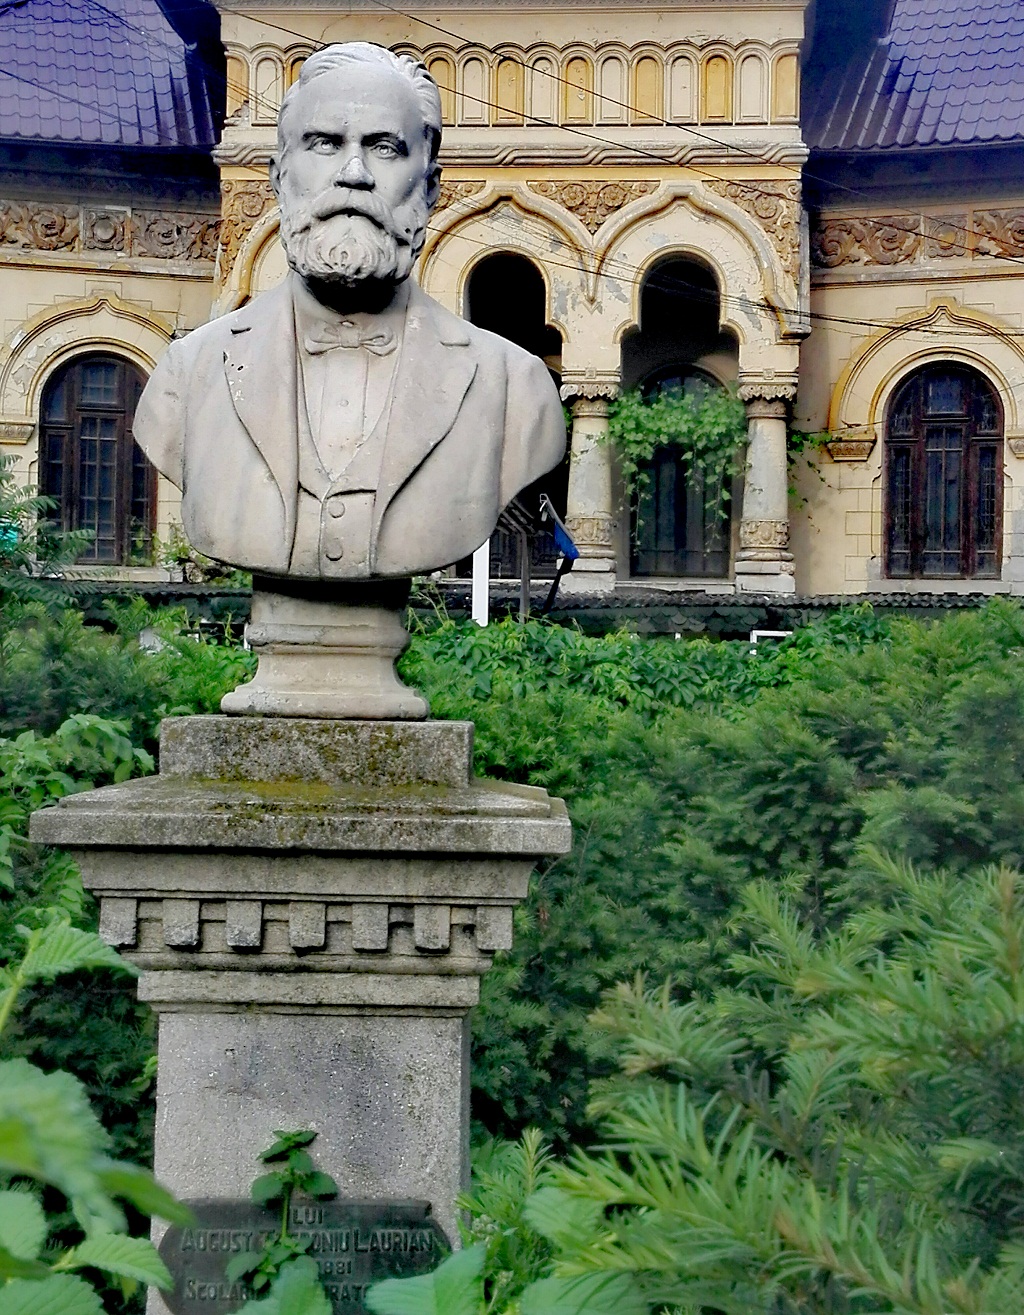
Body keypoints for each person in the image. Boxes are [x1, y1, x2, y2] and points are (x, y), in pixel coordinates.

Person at [133, 42, 565, 580]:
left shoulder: (513, 386)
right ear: (279, 177)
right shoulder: (189, 373)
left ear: (430, 187)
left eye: (385, 148)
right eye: (325, 144)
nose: (354, 173)